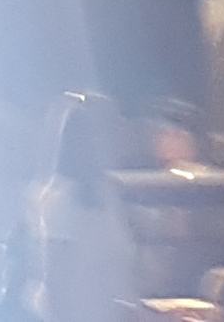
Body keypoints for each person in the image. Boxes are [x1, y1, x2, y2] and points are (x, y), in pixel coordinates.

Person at [18, 94, 139, 322]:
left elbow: (117, 276)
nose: (121, 138)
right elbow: (56, 287)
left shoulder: (107, 195)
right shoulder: (59, 200)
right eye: (111, 131)